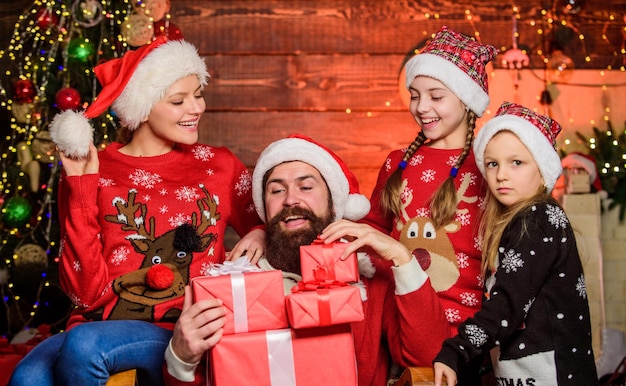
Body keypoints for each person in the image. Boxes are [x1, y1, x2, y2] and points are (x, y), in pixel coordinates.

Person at [9, 37, 265, 386]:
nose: (197, 108)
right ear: (141, 108)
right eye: (178, 100)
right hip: (97, 323)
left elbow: (276, 222)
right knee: (27, 377)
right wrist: (82, 190)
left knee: (86, 346)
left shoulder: (219, 165)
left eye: (198, 94)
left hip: (175, 328)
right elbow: (83, 295)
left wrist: (259, 230)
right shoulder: (92, 167)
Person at [163, 134, 451, 386]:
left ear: (333, 203)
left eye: (306, 187)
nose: (290, 200)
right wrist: (180, 357)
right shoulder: (230, 287)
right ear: (264, 208)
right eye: (277, 190)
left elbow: (428, 357)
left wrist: (402, 257)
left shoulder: (369, 277)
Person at [360, 25, 497, 382]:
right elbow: (374, 230)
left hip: (463, 329)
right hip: (401, 317)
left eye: (436, 96)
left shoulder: (487, 167)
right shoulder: (398, 163)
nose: (421, 107)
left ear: (467, 100)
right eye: (415, 95)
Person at [433, 101, 598, 386]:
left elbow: (507, 305)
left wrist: (456, 350)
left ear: (542, 168)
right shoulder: (518, 221)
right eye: (493, 163)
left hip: (551, 374)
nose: (501, 175)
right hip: (525, 369)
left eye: (516, 162)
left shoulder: (538, 219)